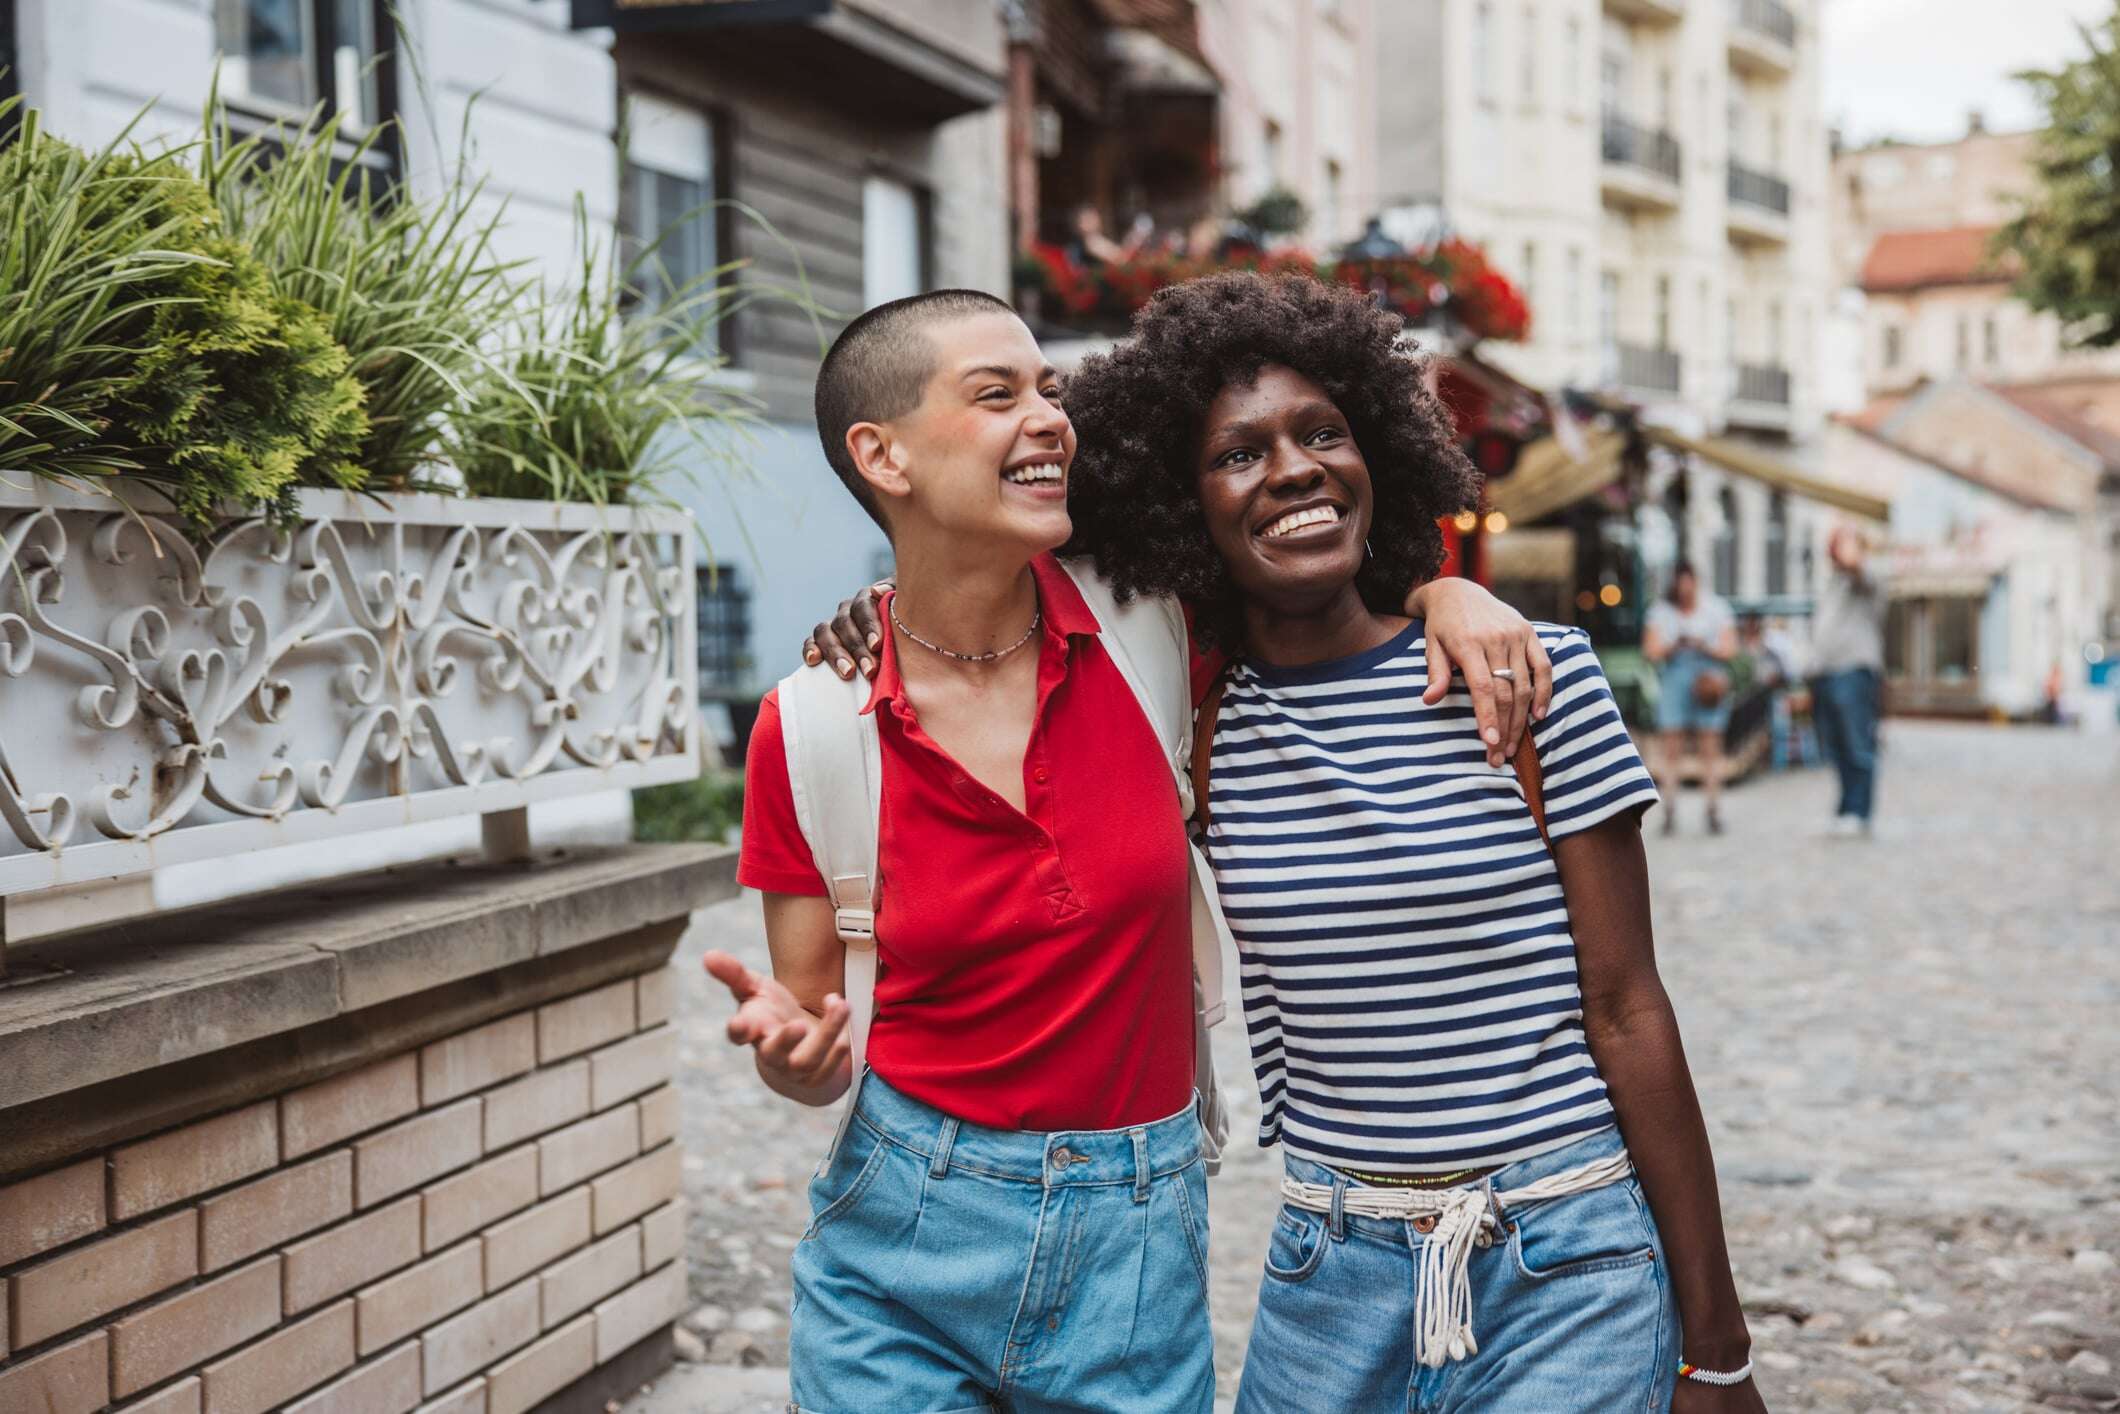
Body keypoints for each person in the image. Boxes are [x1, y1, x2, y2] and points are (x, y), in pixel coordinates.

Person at [806, 274, 1767, 1412]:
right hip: (1329, 1269)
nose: (1295, 469)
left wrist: (1715, 1346)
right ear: (1182, 500)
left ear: (1380, 457)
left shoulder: (1526, 677)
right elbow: (1006, 618)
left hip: (1563, 1251)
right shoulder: (1195, 714)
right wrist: (885, 609)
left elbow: (1630, 1009)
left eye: (1323, 433)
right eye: (1237, 454)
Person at [704, 288, 1554, 1414]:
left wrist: (1439, 584)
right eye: (996, 393)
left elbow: (1302, 562)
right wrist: (793, 1058)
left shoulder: (1150, 626)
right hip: (898, 1240)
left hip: (1135, 1251)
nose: (1048, 416)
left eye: (1050, 390)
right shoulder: (808, 728)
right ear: (882, 454)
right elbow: (810, 1022)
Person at [1643, 563, 1738, 835]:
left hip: (1708, 681)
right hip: (1674, 679)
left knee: (1711, 746)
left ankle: (1713, 809)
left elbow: (1730, 649)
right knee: (1671, 746)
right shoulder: (1660, 611)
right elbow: (1650, 650)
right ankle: (1669, 808)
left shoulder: (1716, 608)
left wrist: (1702, 645)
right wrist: (1674, 646)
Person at [1809, 526, 1886, 835]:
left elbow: (1861, 573)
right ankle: (1845, 807)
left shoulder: (1869, 576)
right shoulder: (1833, 582)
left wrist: (1851, 550)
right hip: (1826, 672)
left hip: (1854, 670)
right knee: (1836, 745)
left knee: (1857, 744)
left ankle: (1859, 810)